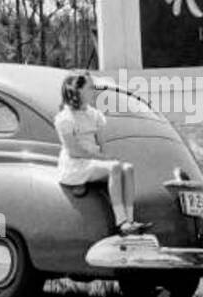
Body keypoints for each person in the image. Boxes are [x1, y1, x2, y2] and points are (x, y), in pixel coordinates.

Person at [54, 73, 148, 236]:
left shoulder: (94, 114)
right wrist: (104, 159)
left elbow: (101, 144)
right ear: (77, 91)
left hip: (93, 160)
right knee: (114, 168)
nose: (94, 91)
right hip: (76, 165)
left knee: (128, 168)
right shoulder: (65, 118)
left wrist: (106, 157)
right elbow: (74, 151)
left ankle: (130, 220)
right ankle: (121, 222)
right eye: (90, 87)